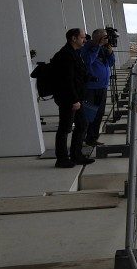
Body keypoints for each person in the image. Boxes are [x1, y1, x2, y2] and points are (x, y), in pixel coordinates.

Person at [50, 28, 93, 168]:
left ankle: (76, 155)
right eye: (82, 37)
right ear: (73, 38)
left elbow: (78, 75)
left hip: (76, 98)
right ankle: (62, 159)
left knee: (82, 124)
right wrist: (74, 100)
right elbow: (66, 81)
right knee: (65, 128)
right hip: (69, 99)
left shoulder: (74, 53)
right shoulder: (66, 55)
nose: (85, 40)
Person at [80, 28, 114, 147]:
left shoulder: (104, 49)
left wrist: (110, 53)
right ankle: (80, 139)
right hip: (91, 87)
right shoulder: (87, 48)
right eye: (104, 37)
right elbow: (88, 61)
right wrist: (98, 46)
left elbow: (110, 63)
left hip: (102, 87)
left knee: (99, 114)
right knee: (89, 114)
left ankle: (92, 138)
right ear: (97, 37)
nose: (106, 39)